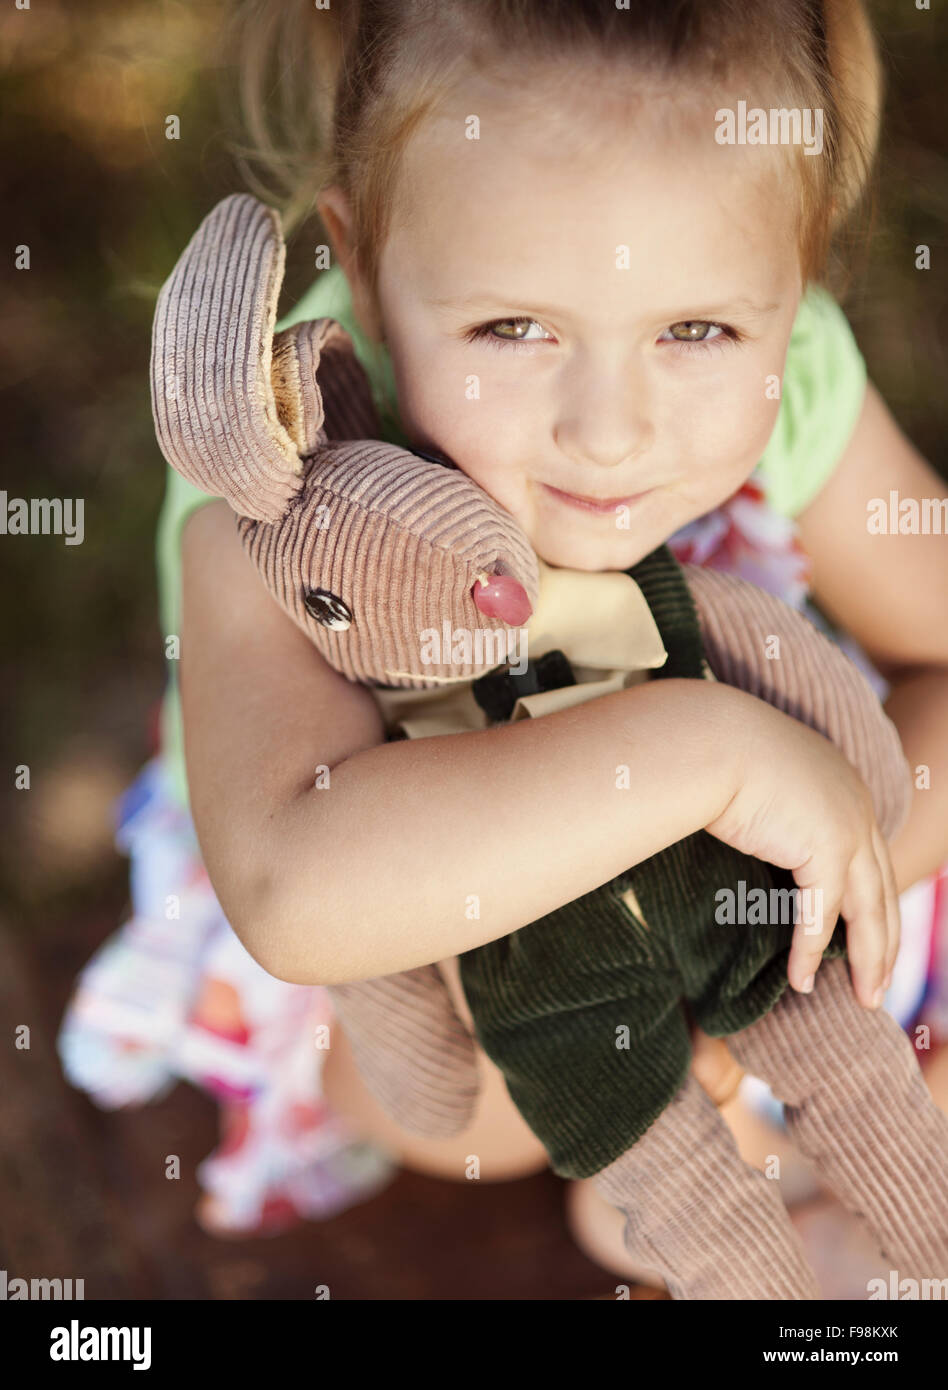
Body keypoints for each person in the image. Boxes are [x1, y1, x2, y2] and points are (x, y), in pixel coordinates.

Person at [60, 0, 948, 1287]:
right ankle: (672, 1160)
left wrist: (808, 881)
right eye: (513, 330)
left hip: (743, 892)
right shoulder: (279, 478)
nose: (610, 432)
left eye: (699, 330)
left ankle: (787, 1112)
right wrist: (705, 762)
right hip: (441, 962)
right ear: (361, 262)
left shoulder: (798, 365)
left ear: (794, 275)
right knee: (449, 1096)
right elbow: (296, 889)